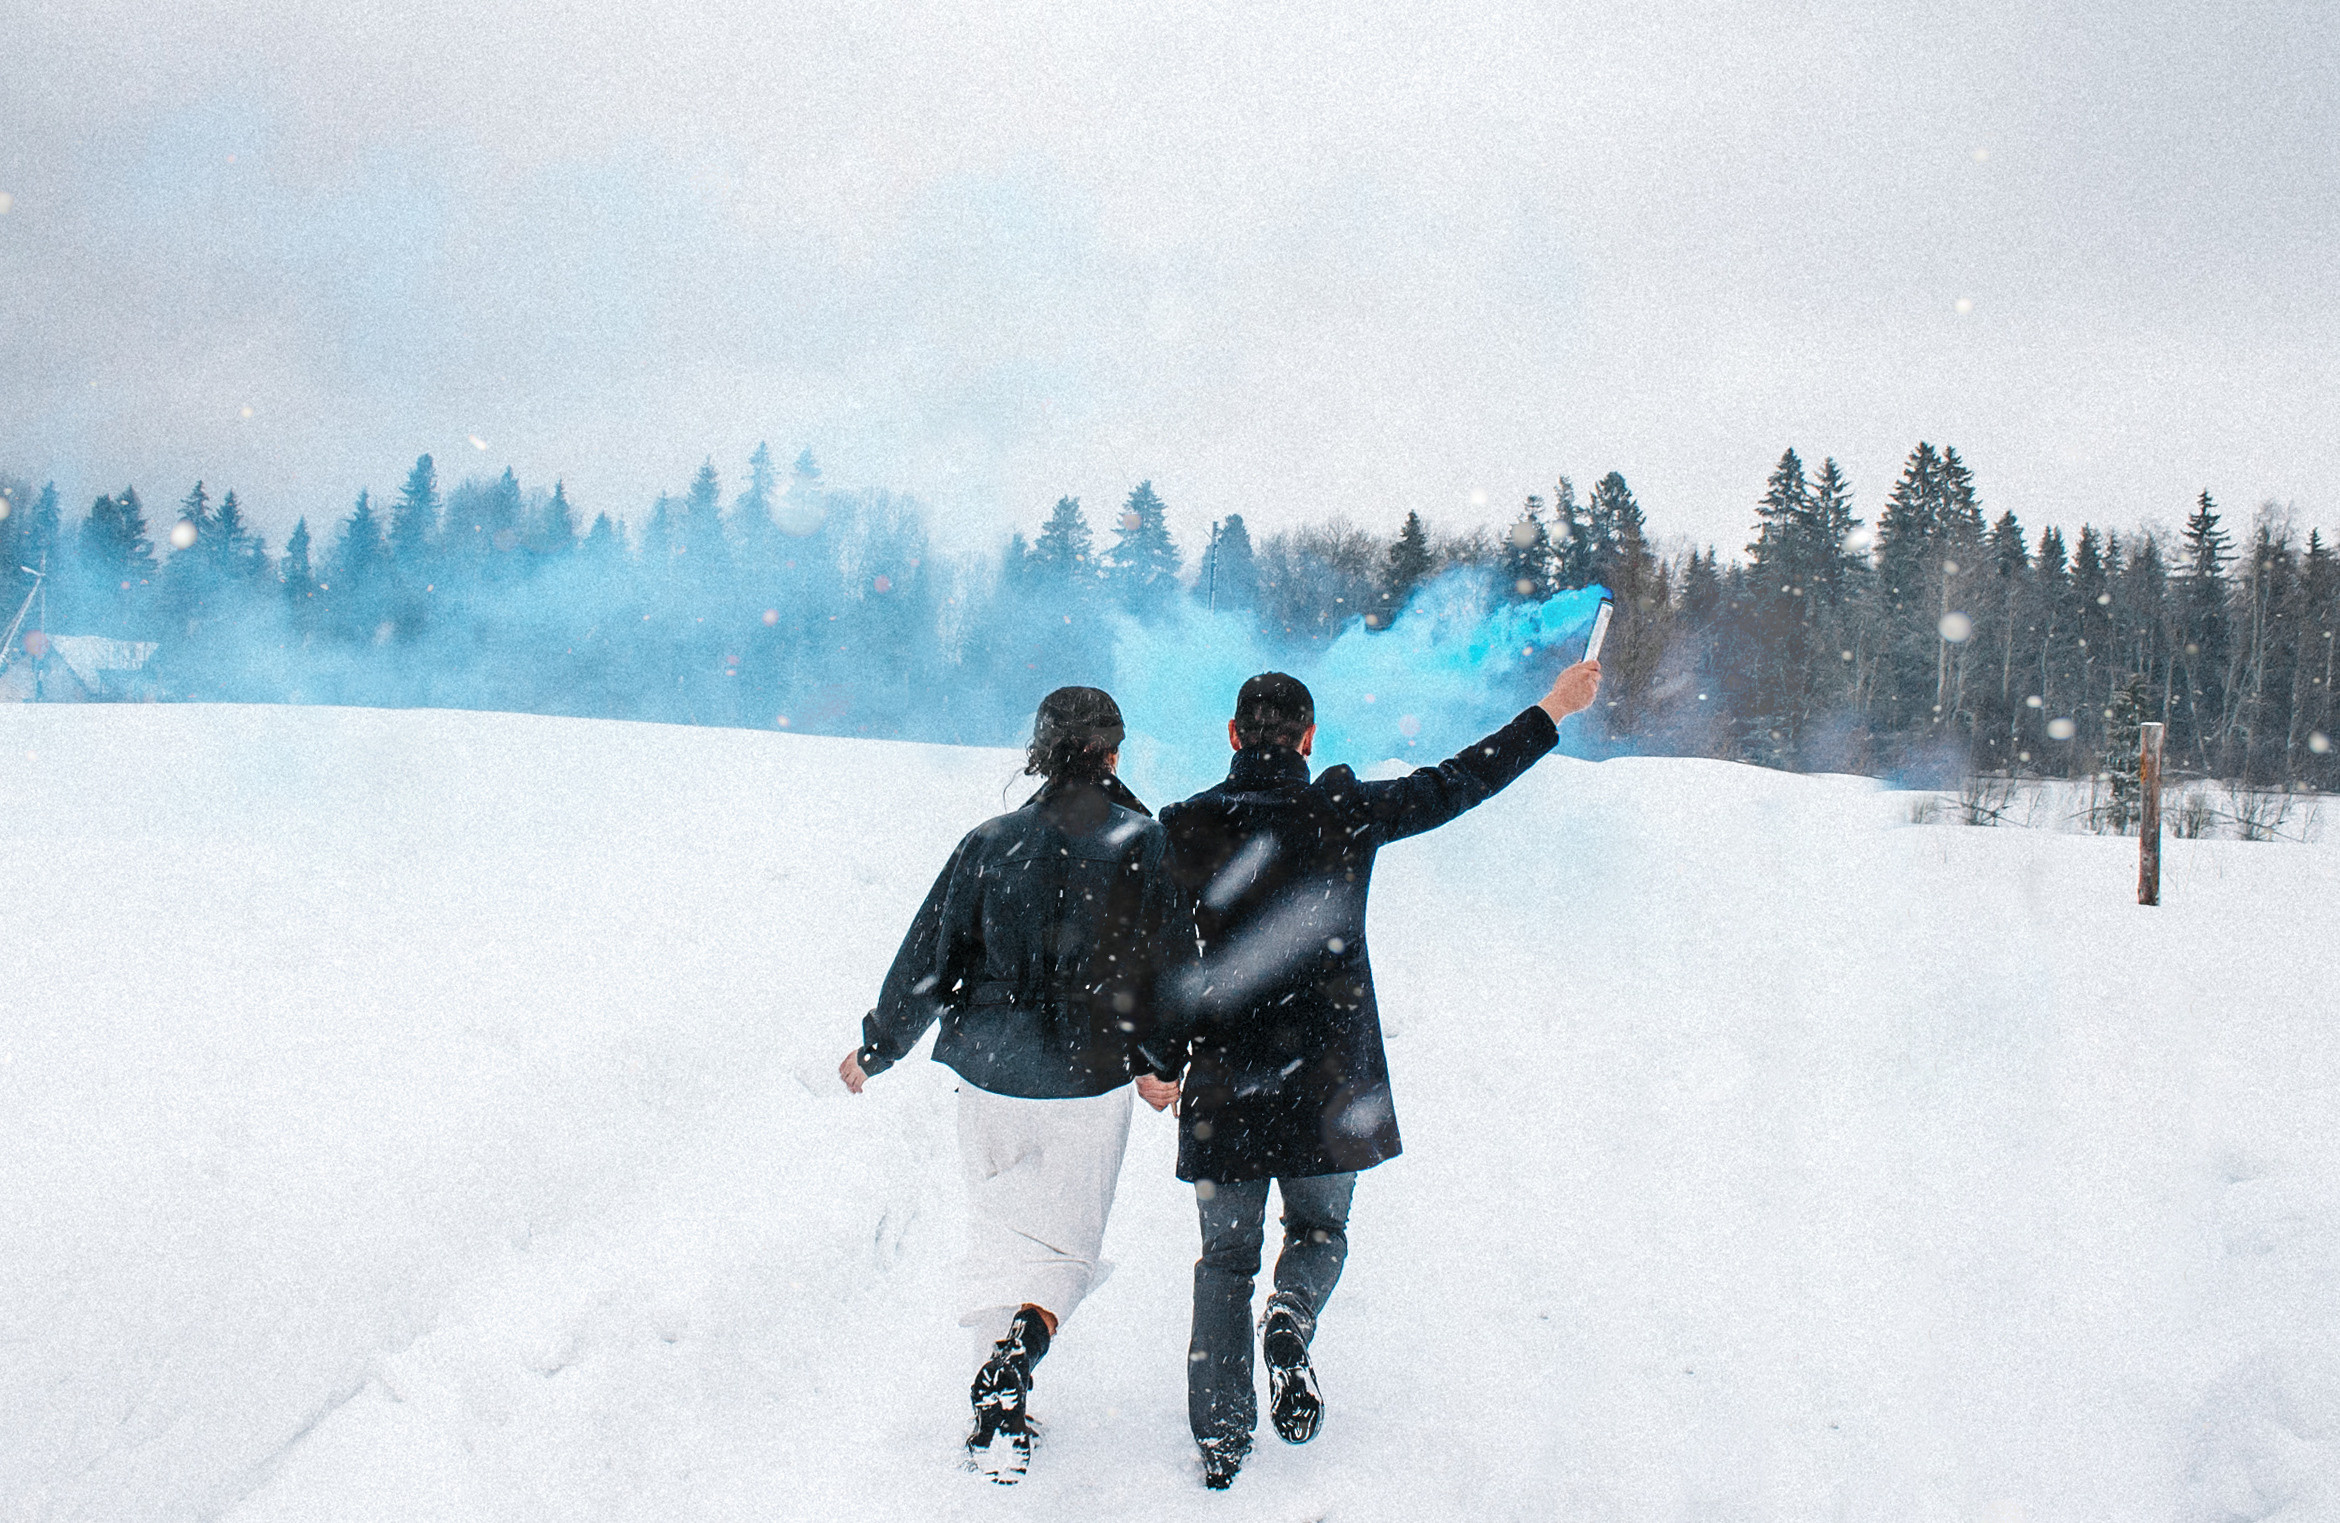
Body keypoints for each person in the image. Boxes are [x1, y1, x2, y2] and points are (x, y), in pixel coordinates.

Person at [1138, 659, 1602, 1488]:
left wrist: (1159, 1058)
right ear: (1309, 739)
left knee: (1225, 1260)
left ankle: (1220, 1439)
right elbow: (1460, 781)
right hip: (1328, 1082)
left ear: (1235, 736)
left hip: (1228, 1085)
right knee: (1318, 1233)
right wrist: (1551, 710)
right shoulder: (1344, 810)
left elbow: (1160, 959)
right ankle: (1293, 1314)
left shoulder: (1187, 825)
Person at [839, 686, 1188, 1484]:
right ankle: (1017, 1357)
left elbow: (930, 958)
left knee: (999, 1231)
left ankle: (995, 1411)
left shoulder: (989, 842)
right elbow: (1171, 967)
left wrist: (878, 1045)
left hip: (990, 1073)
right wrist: (1161, 1065)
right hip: (1089, 1077)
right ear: (1112, 752)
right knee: (1067, 1242)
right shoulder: (1144, 843)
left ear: (1040, 750)